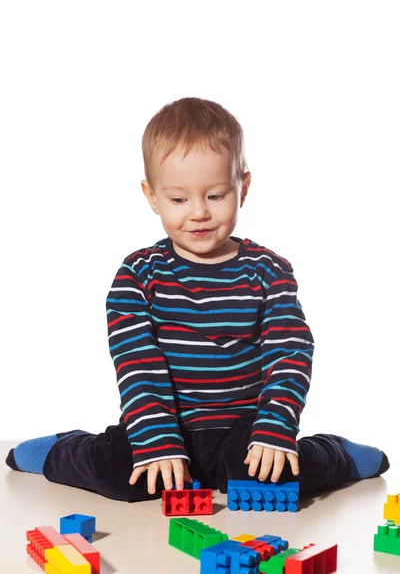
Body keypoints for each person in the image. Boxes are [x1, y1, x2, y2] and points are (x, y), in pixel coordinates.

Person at [6, 97, 389, 502]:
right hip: (163, 422)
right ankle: (60, 450)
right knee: (123, 475)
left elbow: (290, 352)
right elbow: (137, 363)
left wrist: (276, 427)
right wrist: (156, 437)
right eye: (178, 199)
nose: (199, 213)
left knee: (274, 480)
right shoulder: (137, 275)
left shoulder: (269, 271)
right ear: (152, 196)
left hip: (246, 431)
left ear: (243, 188)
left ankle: (337, 455)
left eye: (216, 195)